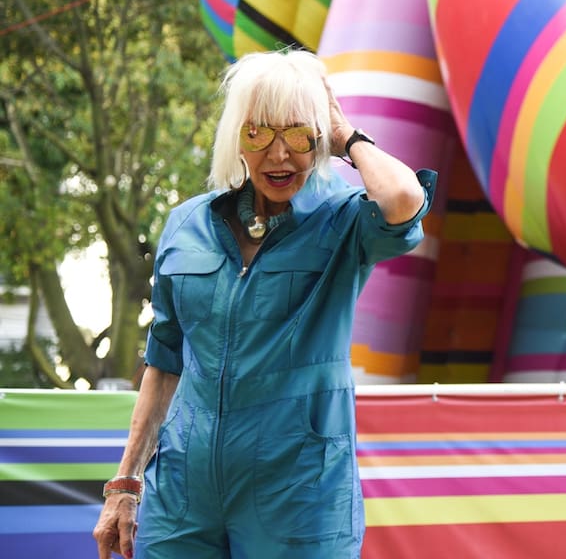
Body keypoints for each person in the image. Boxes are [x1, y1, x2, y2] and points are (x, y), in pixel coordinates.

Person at [92, 49, 436, 559]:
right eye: (259, 133)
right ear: (237, 136)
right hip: (185, 492)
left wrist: (347, 137)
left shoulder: (343, 221)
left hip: (299, 492)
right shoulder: (185, 227)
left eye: (298, 134)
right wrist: (125, 483)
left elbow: (403, 200)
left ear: (320, 137)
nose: (278, 155)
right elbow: (164, 362)